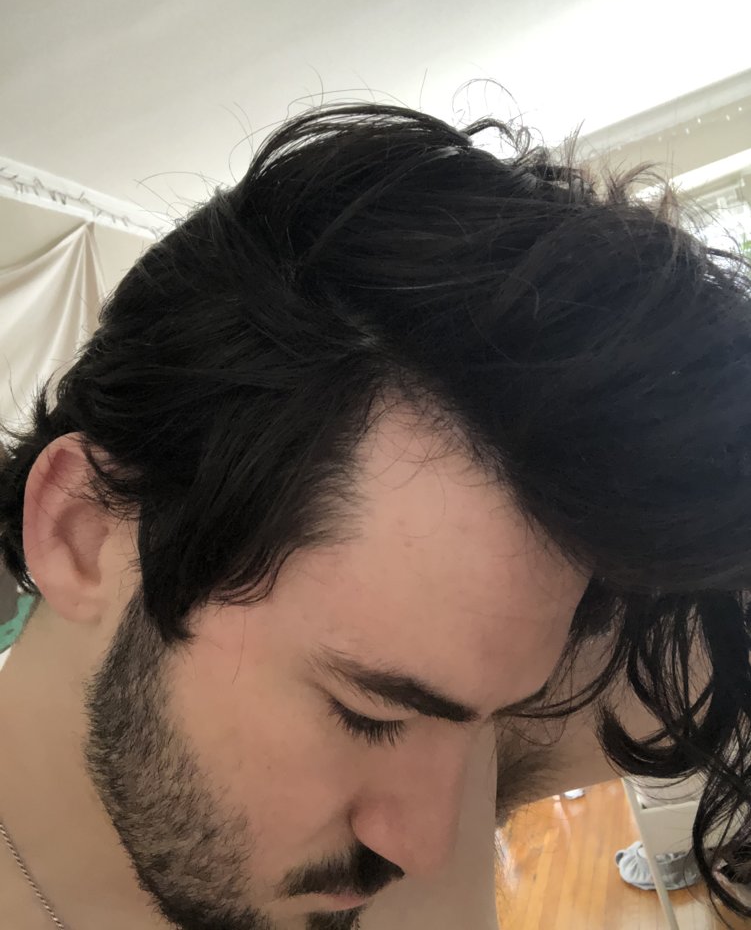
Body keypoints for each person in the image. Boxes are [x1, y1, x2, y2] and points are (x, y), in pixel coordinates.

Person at [1, 100, 750, 930]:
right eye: (369, 716)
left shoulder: (474, 667)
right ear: (82, 532)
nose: (429, 845)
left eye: (492, 719)